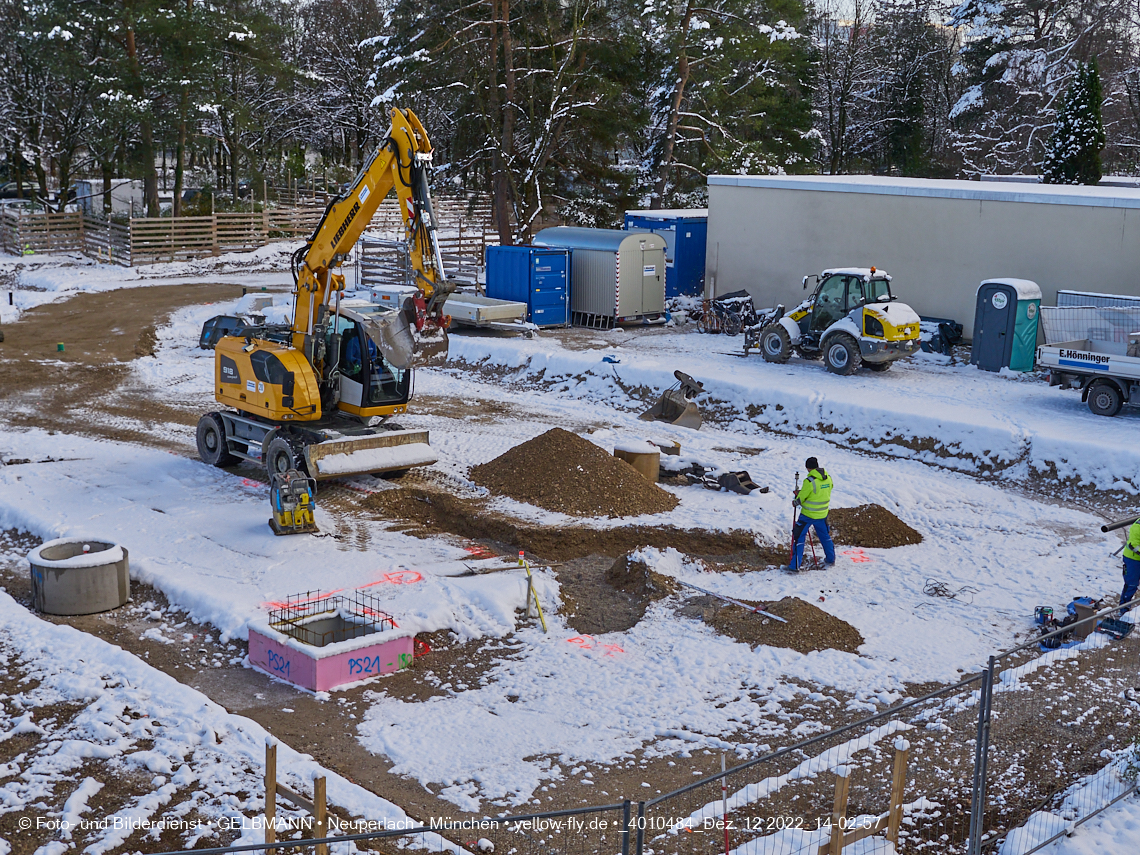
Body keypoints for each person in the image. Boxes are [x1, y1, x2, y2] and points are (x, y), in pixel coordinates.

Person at [788, 457, 836, 572]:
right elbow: (823, 491)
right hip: (822, 515)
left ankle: (795, 566)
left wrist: (795, 500)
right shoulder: (828, 478)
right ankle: (831, 559)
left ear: (808, 467)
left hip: (807, 516)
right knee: (825, 537)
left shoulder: (809, 481)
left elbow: (801, 499)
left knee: (799, 538)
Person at [1121, 518, 1140, 612]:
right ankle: (1124, 609)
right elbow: (1134, 545)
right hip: (1133, 559)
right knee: (1131, 584)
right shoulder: (1137, 527)